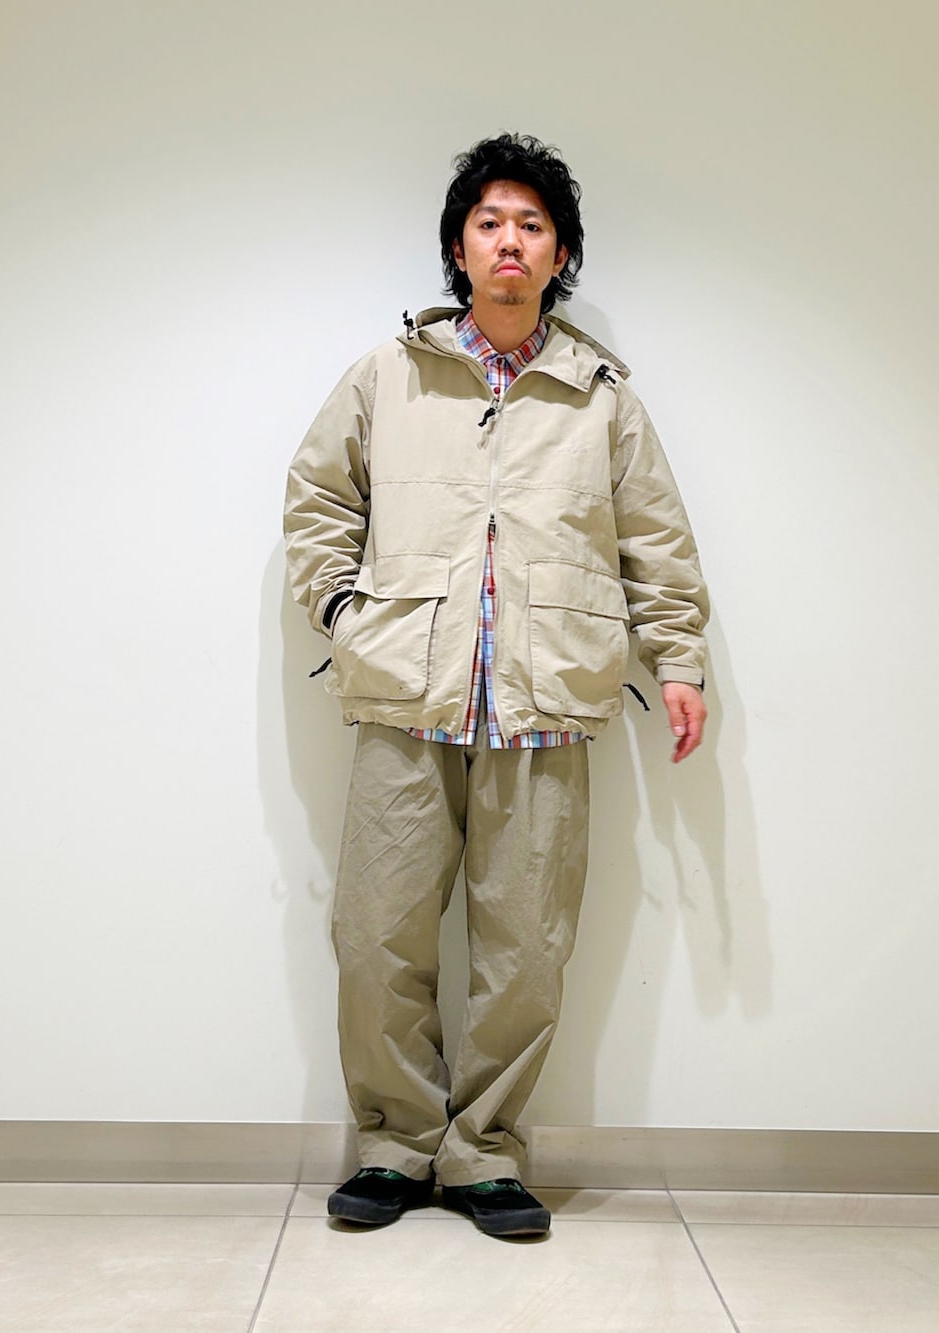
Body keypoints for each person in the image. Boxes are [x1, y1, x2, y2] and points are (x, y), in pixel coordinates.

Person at [283, 133, 708, 1239]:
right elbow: (318, 501)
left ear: (558, 254)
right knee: (377, 934)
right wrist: (343, 611)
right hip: (404, 697)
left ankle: (483, 1154)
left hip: (546, 703)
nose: (508, 241)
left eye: (530, 224)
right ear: (459, 249)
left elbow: (656, 542)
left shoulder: (600, 397)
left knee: (526, 948)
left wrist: (678, 660)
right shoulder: (388, 375)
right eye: (488, 223)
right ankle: (393, 1145)